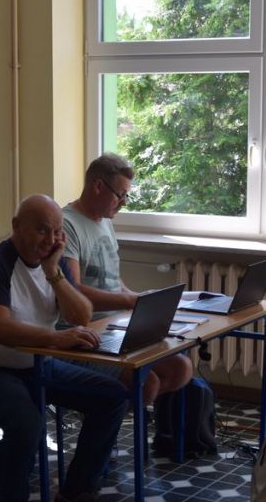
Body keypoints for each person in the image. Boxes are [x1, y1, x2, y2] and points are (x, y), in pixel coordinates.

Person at [0, 195, 128, 502]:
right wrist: (55, 338)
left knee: (112, 396)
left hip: (38, 364)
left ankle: (76, 494)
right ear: (16, 226)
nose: (50, 239)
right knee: (27, 423)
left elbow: (81, 315)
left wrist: (54, 272)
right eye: (40, 230)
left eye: (56, 231)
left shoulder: (52, 262)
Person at [62, 153, 192, 404]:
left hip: (114, 326)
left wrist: (138, 298)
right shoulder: (67, 224)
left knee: (180, 368)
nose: (123, 203)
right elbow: (72, 289)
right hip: (82, 333)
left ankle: (124, 410)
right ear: (97, 186)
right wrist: (130, 301)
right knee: (147, 382)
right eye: (119, 195)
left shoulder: (105, 220)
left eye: (126, 196)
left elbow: (111, 279)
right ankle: (115, 416)